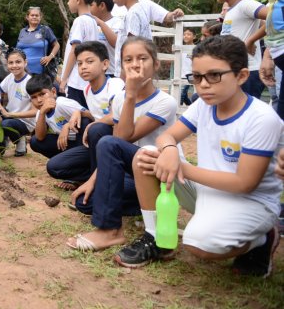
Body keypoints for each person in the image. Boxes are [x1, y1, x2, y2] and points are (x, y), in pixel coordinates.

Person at [116, 36, 283, 278]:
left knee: (198, 243)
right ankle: (156, 239)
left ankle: (262, 239)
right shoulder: (204, 105)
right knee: (146, 155)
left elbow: (244, 183)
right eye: (197, 77)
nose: (203, 85)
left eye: (214, 75)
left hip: (250, 201)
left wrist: (180, 166)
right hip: (208, 191)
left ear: (242, 76)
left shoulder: (260, 118)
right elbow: (166, 138)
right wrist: (170, 150)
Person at [66, 37, 179, 252]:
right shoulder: (118, 100)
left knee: (108, 141)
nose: (135, 64)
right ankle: (143, 205)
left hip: (157, 171)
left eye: (142, 58)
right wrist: (92, 181)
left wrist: (131, 95)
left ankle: (110, 230)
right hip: (133, 170)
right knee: (85, 202)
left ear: (156, 65)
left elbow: (124, 138)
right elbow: (118, 145)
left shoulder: (165, 102)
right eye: (128, 60)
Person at [46, 41, 124, 190]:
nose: (83, 67)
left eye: (90, 61)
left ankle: (99, 184)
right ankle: (89, 177)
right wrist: (78, 113)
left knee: (95, 128)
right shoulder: (88, 89)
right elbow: (95, 115)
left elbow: (116, 116)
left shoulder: (114, 84)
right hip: (97, 142)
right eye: (79, 63)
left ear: (105, 64)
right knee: (54, 167)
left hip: (118, 140)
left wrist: (92, 125)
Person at [110, 0, 183, 76]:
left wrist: (124, 73)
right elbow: (166, 17)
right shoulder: (142, 7)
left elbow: (131, 44)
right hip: (141, 67)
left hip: (131, 71)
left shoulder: (133, 13)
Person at [214, 0, 269, 99]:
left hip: (248, 71)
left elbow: (274, 17)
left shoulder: (246, 4)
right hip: (234, 70)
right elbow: (264, 23)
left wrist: (251, 40)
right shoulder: (232, 10)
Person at [59, 0, 99, 107]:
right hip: (87, 81)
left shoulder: (80, 21)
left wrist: (64, 78)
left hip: (76, 80)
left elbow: (74, 51)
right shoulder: (93, 21)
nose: (68, 2)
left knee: (75, 118)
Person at [28, 74, 84, 159]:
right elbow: (39, 137)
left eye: (42, 94)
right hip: (66, 143)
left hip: (81, 141)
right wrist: (42, 113)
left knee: (85, 121)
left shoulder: (62, 103)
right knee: (34, 142)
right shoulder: (40, 113)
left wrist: (67, 125)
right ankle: (63, 162)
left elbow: (90, 116)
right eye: (34, 97)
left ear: (53, 92)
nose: (39, 100)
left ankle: (83, 162)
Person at [0, 49, 37, 157]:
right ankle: (0, 142)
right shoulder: (9, 78)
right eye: (11, 63)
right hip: (10, 115)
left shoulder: (30, 83)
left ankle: (20, 140)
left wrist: (9, 115)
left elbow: (34, 112)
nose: (14, 65)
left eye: (18, 62)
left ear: (25, 62)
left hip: (25, 121)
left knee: (6, 124)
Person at [16, 7, 60, 75]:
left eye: (37, 15)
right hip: (22, 71)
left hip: (40, 72)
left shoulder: (45, 30)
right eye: (32, 15)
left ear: (40, 17)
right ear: (27, 17)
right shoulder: (22, 31)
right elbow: (17, 51)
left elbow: (57, 45)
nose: (34, 17)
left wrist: (50, 57)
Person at [90, 0, 122, 77]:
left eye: (91, 5)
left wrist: (100, 23)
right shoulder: (91, 23)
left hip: (112, 73)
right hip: (96, 72)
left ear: (102, 6)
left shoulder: (117, 23)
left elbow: (116, 42)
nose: (88, 8)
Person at [180, 28, 195, 106]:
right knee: (184, 96)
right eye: (184, 34)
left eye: (188, 34)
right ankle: (190, 107)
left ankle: (178, 115)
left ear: (194, 37)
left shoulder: (195, 49)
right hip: (180, 75)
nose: (186, 36)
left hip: (189, 75)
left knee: (180, 96)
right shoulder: (180, 48)